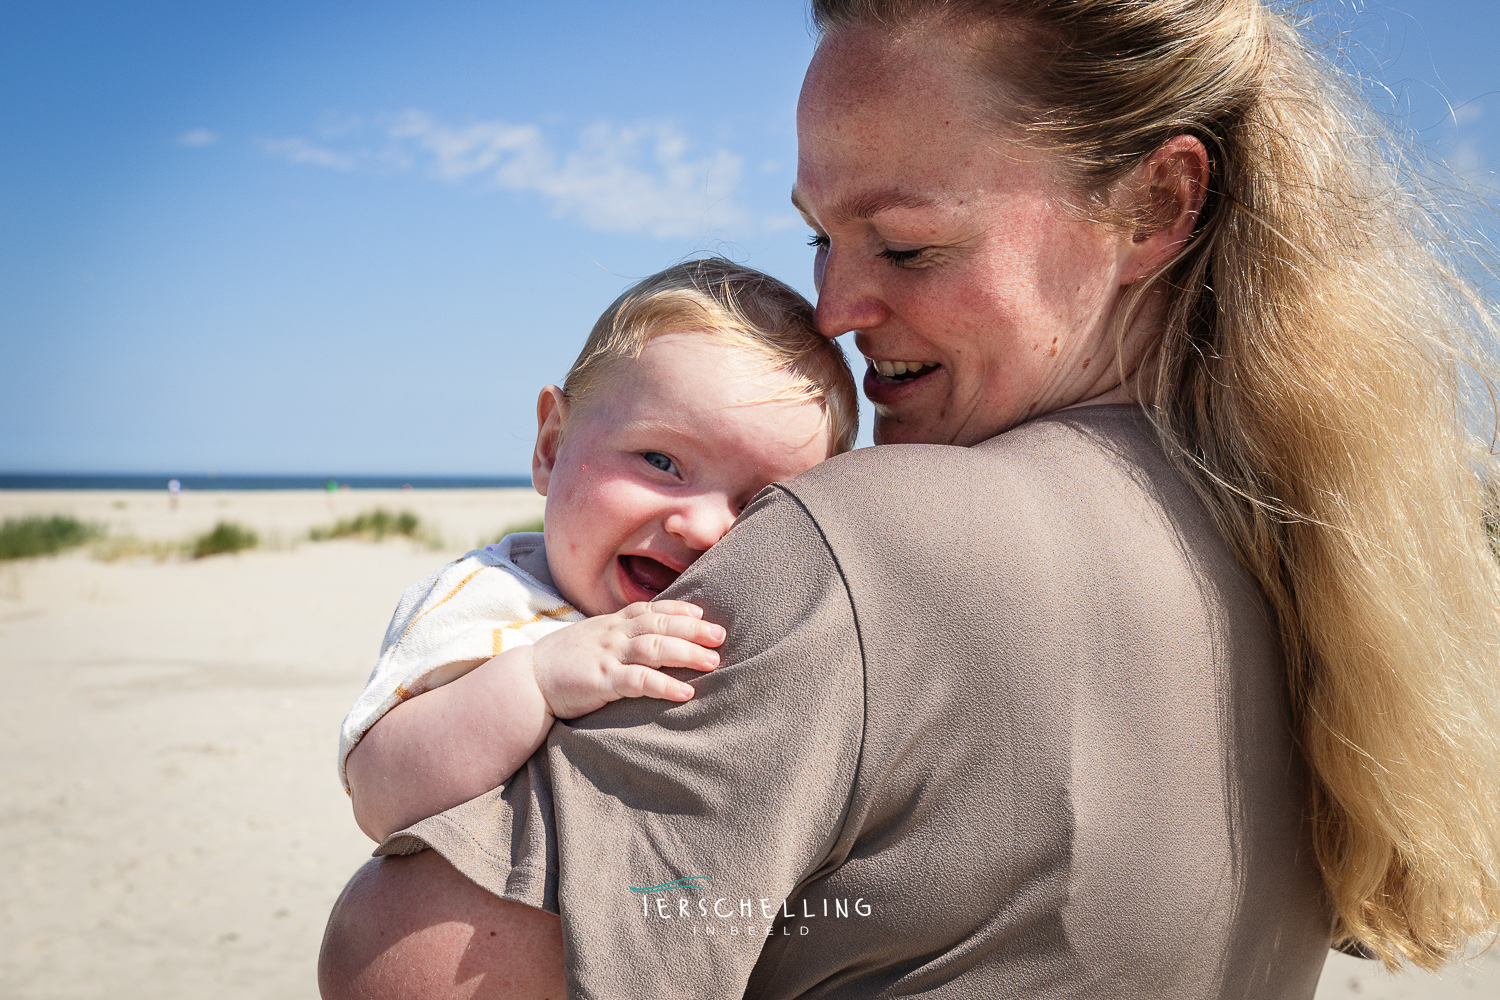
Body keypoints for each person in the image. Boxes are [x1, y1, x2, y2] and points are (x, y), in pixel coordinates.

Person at [319, 2, 1500, 997]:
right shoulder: (1302, 552)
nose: (831, 308)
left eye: (906, 244)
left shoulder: (865, 549)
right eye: (822, 236)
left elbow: (408, 964)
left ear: (1154, 207)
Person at [340, 258, 858, 845]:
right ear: (552, 444)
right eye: (660, 462)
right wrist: (538, 680)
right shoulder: (488, 601)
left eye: (758, 503)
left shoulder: (759, 630)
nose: (705, 529)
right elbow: (380, 793)